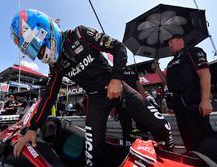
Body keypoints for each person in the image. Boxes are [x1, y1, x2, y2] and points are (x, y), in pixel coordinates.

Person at [10, 9, 173, 166]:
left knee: (163, 127)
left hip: (118, 89)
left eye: (35, 46)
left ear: (44, 33)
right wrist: (33, 129)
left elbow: (119, 48)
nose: (38, 55)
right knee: (91, 157)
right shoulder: (56, 67)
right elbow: (49, 97)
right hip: (96, 101)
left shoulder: (80, 34)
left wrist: (116, 78)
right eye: (32, 51)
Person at [152, 35, 217, 164]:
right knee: (187, 139)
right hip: (179, 105)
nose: (170, 45)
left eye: (171, 42)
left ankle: (213, 162)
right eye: (168, 44)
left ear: (181, 40)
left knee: (203, 137)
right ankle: (195, 162)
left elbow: (205, 74)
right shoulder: (170, 63)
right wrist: (157, 70)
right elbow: (167, 83)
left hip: (194, 101)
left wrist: (205, 100)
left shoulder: (193, 52)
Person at [117, 67, 165, 143]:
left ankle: (139, 142)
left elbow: (138, 85)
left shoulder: (120, 70)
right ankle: (137, 141)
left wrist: (144, 100)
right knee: (133, 126)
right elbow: (139, 85)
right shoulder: (125, 70)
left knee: (136, 126)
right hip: (127, 102)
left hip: (128, 102)